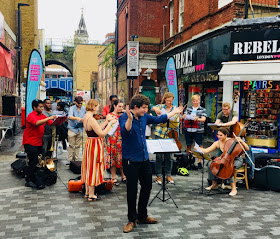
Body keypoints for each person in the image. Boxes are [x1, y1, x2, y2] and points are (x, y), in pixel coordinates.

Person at [119, 94, 183, 233]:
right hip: (131, 160)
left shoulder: (145, 117)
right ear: (135, 107)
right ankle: (131, 219)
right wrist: (130, 118)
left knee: (147, 187)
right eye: (143, 108)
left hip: (144, 159)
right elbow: (126, 131)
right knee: (132, 190)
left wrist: (175, 112)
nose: (145, 110)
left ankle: (142, 215)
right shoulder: (124, 117)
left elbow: (160, 118)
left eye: (147, 108)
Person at [195, 127, 249, 196]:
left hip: (236, 160)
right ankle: (214, 184)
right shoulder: (217, 143)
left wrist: (241, 141)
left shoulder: (232, 141)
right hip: (224, 160)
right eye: (218, 135)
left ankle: (233, 189)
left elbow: (247, 148)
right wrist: (197, 148)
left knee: (229, 168)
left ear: (226, 135)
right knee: (210, 164)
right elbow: (206, 150)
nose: (218, 137)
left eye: (221, 135)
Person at [82, 99, 117, 201]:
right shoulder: (91, 119)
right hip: (94, 144)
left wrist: (106, 122)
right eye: (97, 107)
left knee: (89, 167)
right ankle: (91, 195)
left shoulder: (87, 117)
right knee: (93, 167)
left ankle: (87, 192)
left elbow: (97, 128)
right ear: (93, 107)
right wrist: (111, 124)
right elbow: (101, 134)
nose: (98, 109)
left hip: (90, 143)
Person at [23, 99, 56, 188]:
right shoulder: (31, 115)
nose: (42, 108)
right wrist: (48, 118)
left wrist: (59, 120)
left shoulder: (42, 115)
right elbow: (37, 123)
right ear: (34, 107)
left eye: (42, 107)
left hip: (38, 142)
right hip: (30, 142)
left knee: (38, 161)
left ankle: (36, 177)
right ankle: (28, 180)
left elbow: (51, 123)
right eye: (40, 107)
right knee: (32, 161)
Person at [152, 92, 180, 185]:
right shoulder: (160, 106)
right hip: (159, 133)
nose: (169, 102)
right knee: (159, 156)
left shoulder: (175, 109)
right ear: (165, 100)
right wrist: (156, 109)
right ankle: (158, 175)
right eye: (167, 101)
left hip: (170, 134)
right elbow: (152, 107)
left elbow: (176, 120)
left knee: (169, 156)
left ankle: (168, 174)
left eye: (171, 101)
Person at [183, 94, 207, 169]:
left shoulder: (202, 109)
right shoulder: (189, 108)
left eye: (196, 101)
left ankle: (199, 161)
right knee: (188, 144)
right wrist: (185, 116)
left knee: (199, 145)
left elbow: (203, 119)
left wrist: (197, 119)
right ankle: (187, 160)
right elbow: (184, 116)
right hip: (189, 129)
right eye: (194, 101)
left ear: (199, 101)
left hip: (198, 130)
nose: (195, 102)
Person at [106, 100, 126, 185]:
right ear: (114, 106)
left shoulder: (123, 115)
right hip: (112, 139)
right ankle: (113, 177)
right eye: (119, 106)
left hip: (121, 139)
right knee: (113, 159)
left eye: (122, 106)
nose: (121, 108)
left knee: (121, 158)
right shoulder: (110, 115)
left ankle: (123, 175)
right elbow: (109, 121)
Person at [67, 96, 87, 162]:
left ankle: (76, 159)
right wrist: (77, 118)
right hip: (72, 128)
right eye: (79, 103)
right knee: (71, 145)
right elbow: (70, 116)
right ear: (75, 102)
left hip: (80, 129)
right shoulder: (72, 108)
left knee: (78, 146)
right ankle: (70, 160)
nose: (80, 105)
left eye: (81, 103)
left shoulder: (84, 108)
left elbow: (87, 116)